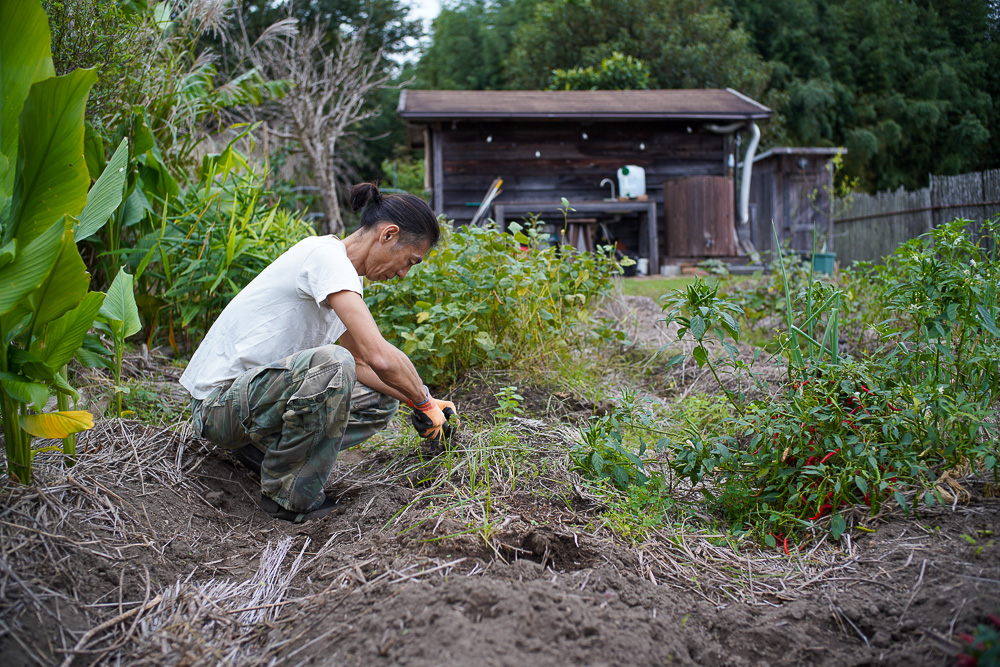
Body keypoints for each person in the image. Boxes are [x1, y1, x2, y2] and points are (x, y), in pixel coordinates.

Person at [180, 182, 458, 523]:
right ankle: (288, 499)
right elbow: (378, 355)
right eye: (409, 261)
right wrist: (424, 403)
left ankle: (269, 453)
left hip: (250, 404)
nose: (403, 273)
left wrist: (419, 397)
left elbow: (363, 362)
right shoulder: (325, 258)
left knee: (381, 397)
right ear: (388, 235)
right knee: (333, 364)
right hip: (217, 407)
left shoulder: (340, 280)